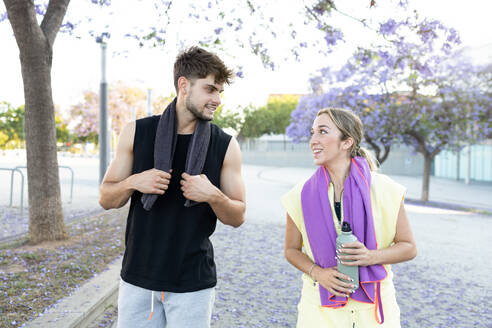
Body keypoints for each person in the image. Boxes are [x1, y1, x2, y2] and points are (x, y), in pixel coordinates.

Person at [99, 47, 246, 328]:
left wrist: (213, 195)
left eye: (219, 93)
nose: (217, 100)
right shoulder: (136, 132)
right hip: (138, 279)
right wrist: (134, 182)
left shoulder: (226, 145)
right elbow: (106, 198)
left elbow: (237, 216)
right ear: (183, 85)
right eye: (210, 89)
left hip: (193, 283)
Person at [282, 107, 417, 327]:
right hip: (319, 311)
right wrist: (318, 273)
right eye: (312, 132)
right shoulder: (299, 195)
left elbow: (409, 247)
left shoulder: (385, 190)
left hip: (374, 311)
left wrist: (370, 257)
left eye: (323, 132)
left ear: (347, 142)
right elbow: (291, 250)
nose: (313, 140)